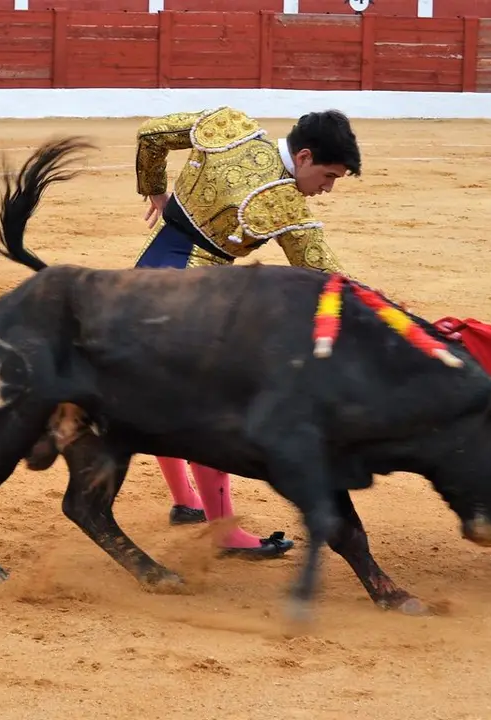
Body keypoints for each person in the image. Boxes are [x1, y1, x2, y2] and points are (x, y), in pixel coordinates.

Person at [131, 106, 362, 559]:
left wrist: (155, 192)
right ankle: (225, 532)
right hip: (194, 296)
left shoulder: (229, 126)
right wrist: (383, 313)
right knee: (210, 411)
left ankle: (184, 501)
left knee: (163, 399)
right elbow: (325, 274)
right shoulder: (280, 200)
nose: (327, 189)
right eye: (329, 176)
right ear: (306, 156)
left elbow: (150, 135)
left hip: (146, 273)